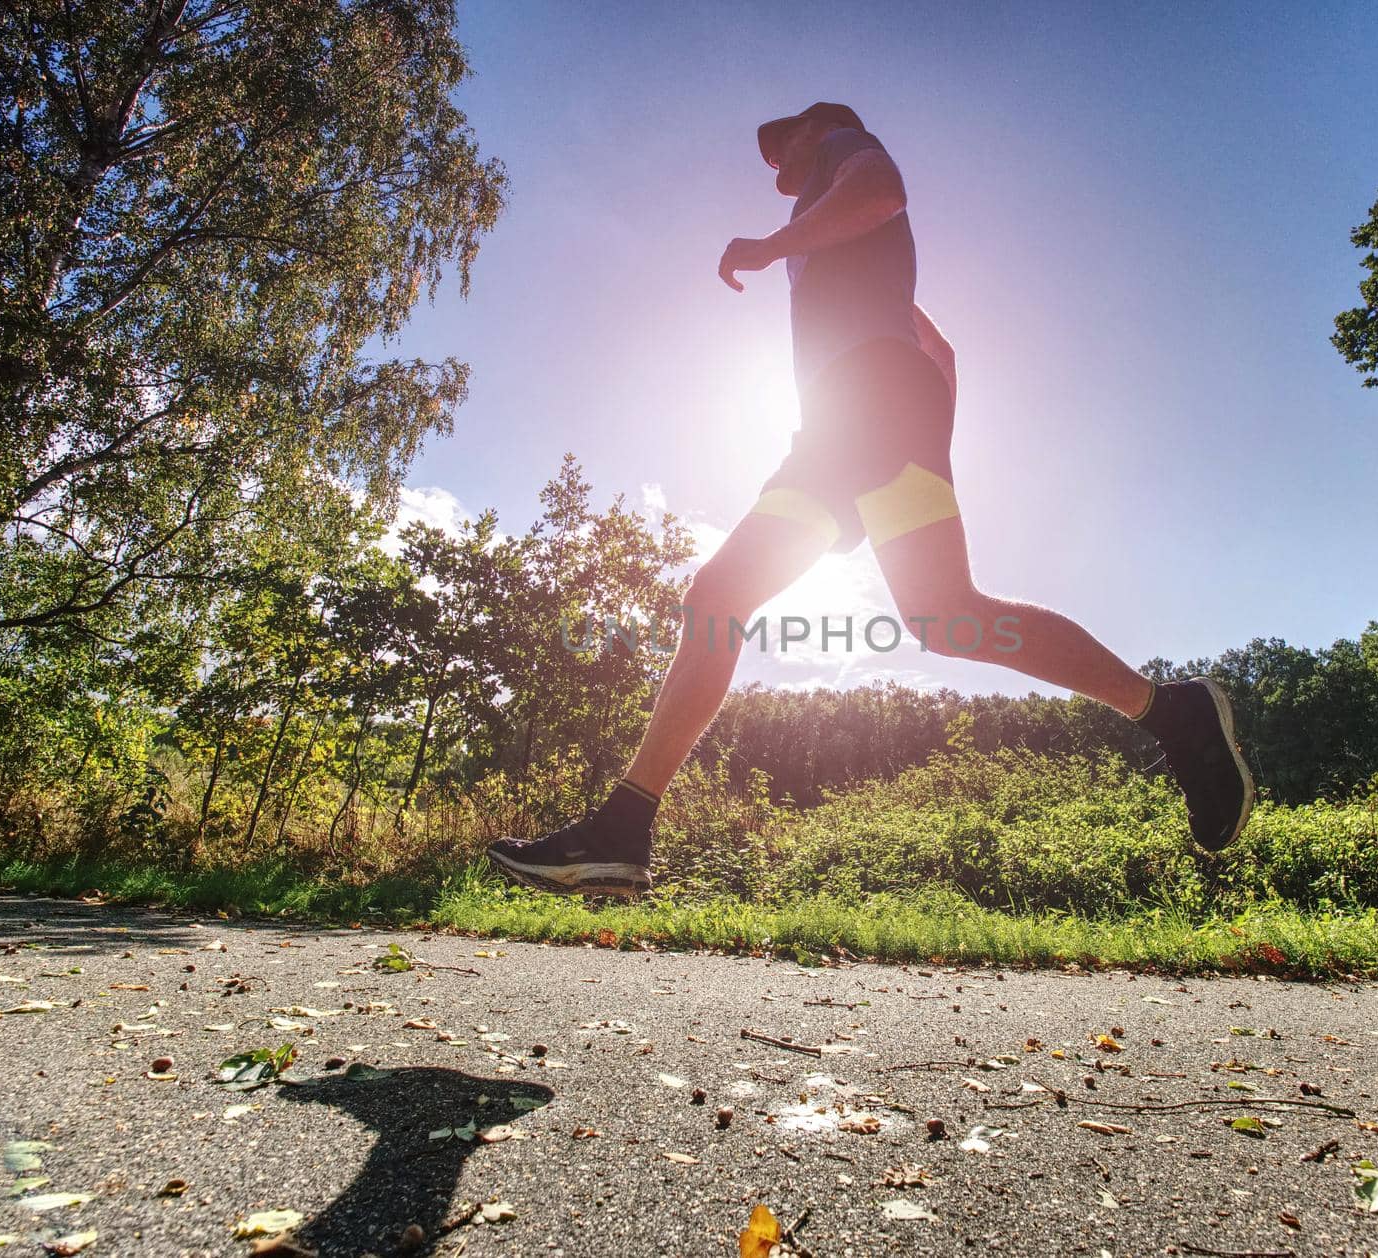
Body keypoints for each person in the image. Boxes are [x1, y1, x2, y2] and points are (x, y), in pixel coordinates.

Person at [488, 102, 1254, 897]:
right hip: (849, 419)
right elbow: (942, 351)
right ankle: (622, 831)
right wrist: (918, 450)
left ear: (816, 128)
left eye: (778, 143)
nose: (773, 164)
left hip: (866, 405)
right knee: (837, 605)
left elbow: (884, 189)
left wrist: (770, 246)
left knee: (855, 606)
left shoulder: (841, 152)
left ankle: (1174, 710)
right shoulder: (850, 252)